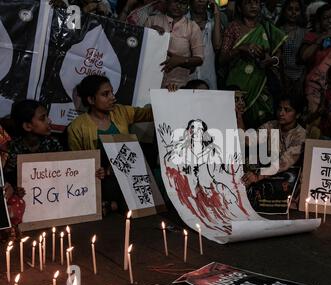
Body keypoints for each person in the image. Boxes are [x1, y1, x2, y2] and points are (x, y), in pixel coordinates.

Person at [67, 75, 153, 214]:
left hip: (127, 177)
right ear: (91, 100)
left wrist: (169, 94)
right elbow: (75, 164)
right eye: (105, 94)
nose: (112, 97)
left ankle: (114, 205)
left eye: (112, 92)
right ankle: (109, 204)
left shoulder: (121, 112)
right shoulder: (77, 127)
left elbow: (150, 114)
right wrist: (96, 171)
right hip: (99, 182)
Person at [220, 0, 287, 129]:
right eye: (248, 3)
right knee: (237, 128)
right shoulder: (233, 27)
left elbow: (278, 58)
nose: (253, 6)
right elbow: (222, 59)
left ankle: (267, 149)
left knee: (266, 132)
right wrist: (241, 48)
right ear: (239, 8)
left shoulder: (267, 27)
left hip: (263, 85)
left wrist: (270, 60)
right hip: (239, 85)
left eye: (256, 3)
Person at [3, 100, 64, 240]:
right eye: (43, 118)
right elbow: (8, 177)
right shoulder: (12, 148)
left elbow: (64, 172)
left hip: (49, 202)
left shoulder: (53, 143)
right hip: (23, 202)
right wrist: (13, 187)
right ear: (27, 126)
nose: (49, 120)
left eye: (47, 116)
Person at [238, 95, 306, 211]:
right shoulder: (272, 125)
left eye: (287, 110)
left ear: (297, 114)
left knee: (273, 185)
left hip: (286, 174)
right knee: (244, 167)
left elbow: (283, 163)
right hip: (268, 171)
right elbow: (248, 140)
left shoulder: (300, 135)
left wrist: (257, 175)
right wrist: (238, 114)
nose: (281, 113)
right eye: (279, 109)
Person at [299, 4, 331, 128]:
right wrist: (321, 38)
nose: (330, 21)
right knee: (314, 123)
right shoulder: (311, 36)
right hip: (315, 87)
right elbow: (303, 57)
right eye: (326, 18)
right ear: (319, 21)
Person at [145, 0, 204, 88]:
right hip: (149, 82)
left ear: (188, 6)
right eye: (175, 1)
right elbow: (138, 50)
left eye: (183, 3)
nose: (178, 6)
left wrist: (181, 60)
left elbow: (199, 59)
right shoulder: (152, 21)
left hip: (178, 86)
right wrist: (149, 32)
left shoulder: (192, 27)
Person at [187, 0, 223, 89]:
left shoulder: (214, 21)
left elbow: (217, 45)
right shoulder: (182, 20)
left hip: (209, 78)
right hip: (187, 80)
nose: (201, 1)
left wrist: (217, 14)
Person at [278, 0, 307, 99]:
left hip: (301, 77)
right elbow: (278, 59)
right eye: (290, 9)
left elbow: (306, 61)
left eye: (297, 10)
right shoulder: (277, 31)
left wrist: (301, 80)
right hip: (281, 77)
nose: (293, 13)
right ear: (284, 11)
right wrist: (283, 79)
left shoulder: (305, 33)